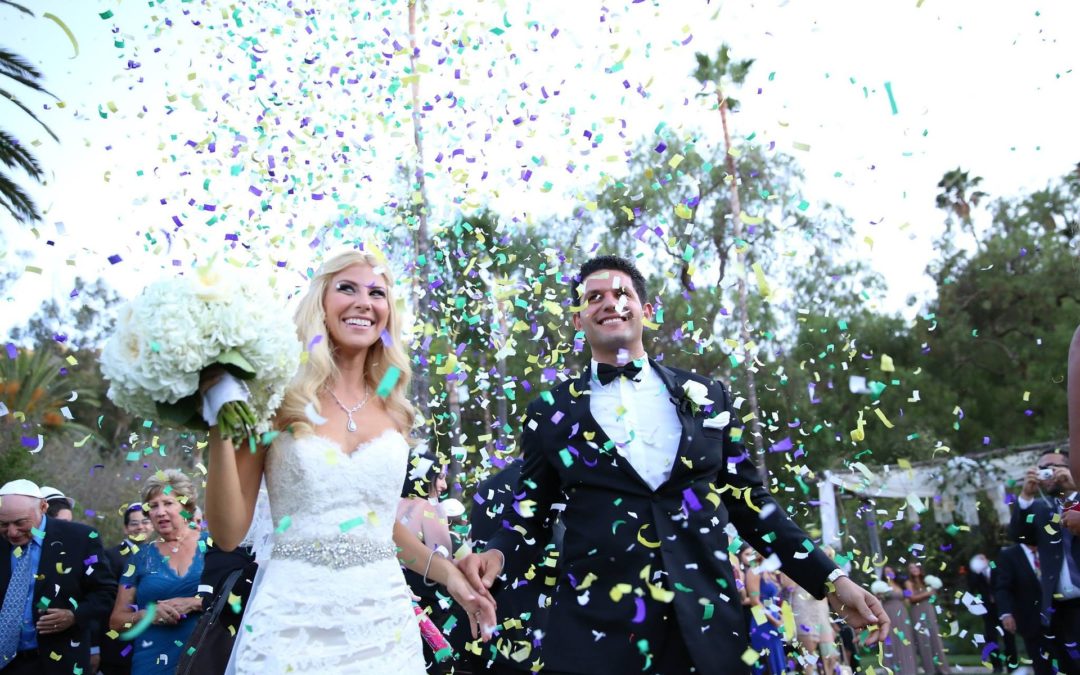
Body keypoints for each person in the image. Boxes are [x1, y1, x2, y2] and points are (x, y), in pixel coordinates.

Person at [459, 255, 889, 674]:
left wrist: (832, 581)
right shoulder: (549, 411)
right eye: (594, 297)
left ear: (646, 311)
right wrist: (497, 552)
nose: (610, 302)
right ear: (578, 319)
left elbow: (752, 505)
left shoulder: (709, 397)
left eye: (622, 292)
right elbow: (529, 516)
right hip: (596, 637)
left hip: (707, 629)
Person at [201, 249, 495, 674]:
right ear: (319, 301)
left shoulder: (394, 406)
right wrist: (217, 426)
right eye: (347, 288)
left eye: (377, 293)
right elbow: (228, 535)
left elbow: (375, 522)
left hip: (383, 623)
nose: (364, 302)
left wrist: (450, 576)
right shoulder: (277, 400)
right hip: (291, 620)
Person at [0, 479, 118, 675]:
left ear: (43, 507)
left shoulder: (79, 539)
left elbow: (106, 592)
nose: (12, 532)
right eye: (3, 524)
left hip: (60, 662)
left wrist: (74, 615)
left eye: (21, 523)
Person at [109, 470, 207, 674]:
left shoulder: (213, 547)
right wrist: (148, 615)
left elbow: (239, 599)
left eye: (168, 503)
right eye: (153, 506)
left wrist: (195, 603)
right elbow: (116, 622)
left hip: (204, 658)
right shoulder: (140, 558)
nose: (160, 512)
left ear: (186, 506)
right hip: (151, 663)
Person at [1010, 448, 1080, 674]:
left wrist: (1075, 488)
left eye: (1053, 467)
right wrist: (1026, 497)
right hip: (1059, 607)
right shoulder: (1041, 510)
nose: (1047, 473)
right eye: (1041, 469)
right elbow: (1019, 537)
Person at [99, 503, 154, 675]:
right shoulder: (111, 556)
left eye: (145, 522)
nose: (140, 527)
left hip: (152, 641)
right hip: (120, 643)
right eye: (134, 523)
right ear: (125, 528)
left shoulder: (159, 554)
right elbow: (105, 601)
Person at [995, 526, 1052, 675]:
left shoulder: (1050, 549)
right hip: (1030, 619)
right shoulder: (1009, 555)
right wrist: (1006, 613)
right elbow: (1002, 587)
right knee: (1042, 665)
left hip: (1059, 616)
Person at [788, 547, 840, 675]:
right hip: (804, 612)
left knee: (831, 656)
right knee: (808, 658)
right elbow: (788, 589)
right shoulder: (797, 568)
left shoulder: (827, 573)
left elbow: (836, 588)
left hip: (822, 614)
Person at [741, 547, 788, 675]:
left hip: (774, 622)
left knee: (777, 659)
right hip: (762, 623)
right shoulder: (753, 572)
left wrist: (779, 617)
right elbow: (755, 602)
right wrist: (774, 621)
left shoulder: (767, 572)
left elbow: (770, 600)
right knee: (766, 662)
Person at [968, 552, 1014, 673]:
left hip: (1002, 608)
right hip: (988, 610)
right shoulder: (976, 574)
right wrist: (976, 572)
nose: (981, 561)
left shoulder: (994, 566)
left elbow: (1001, 576)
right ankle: (997, 666)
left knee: (1009, 637)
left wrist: (988, 563)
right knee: (991, 638)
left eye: (982, 558)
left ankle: (1012, 665)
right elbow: (971, 588)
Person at [905, 561, 950, 674]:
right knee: (923, 639)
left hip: (929, 610)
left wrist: (933, 592)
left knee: (934, 638)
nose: (914, 569)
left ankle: (942, 669)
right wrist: (928, 594)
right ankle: (929, 670)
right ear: (909, 571)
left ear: (920, 568)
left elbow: (933, 596)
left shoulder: (926, 581)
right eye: (911, 567)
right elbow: (912, 598)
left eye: (916, 567)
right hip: (917, 612)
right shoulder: (908, 582)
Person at [879, 565, 918, 675]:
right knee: (891, 639)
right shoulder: (881, 585)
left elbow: (909, 598)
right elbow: (877, 599)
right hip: (888, 613)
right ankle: (892, 669)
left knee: (904, 639)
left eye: (890, 570)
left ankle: (908, 669)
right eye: (886, 571)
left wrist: (908, 588)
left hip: (902, 614)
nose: (889, 573)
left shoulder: (900, 584)